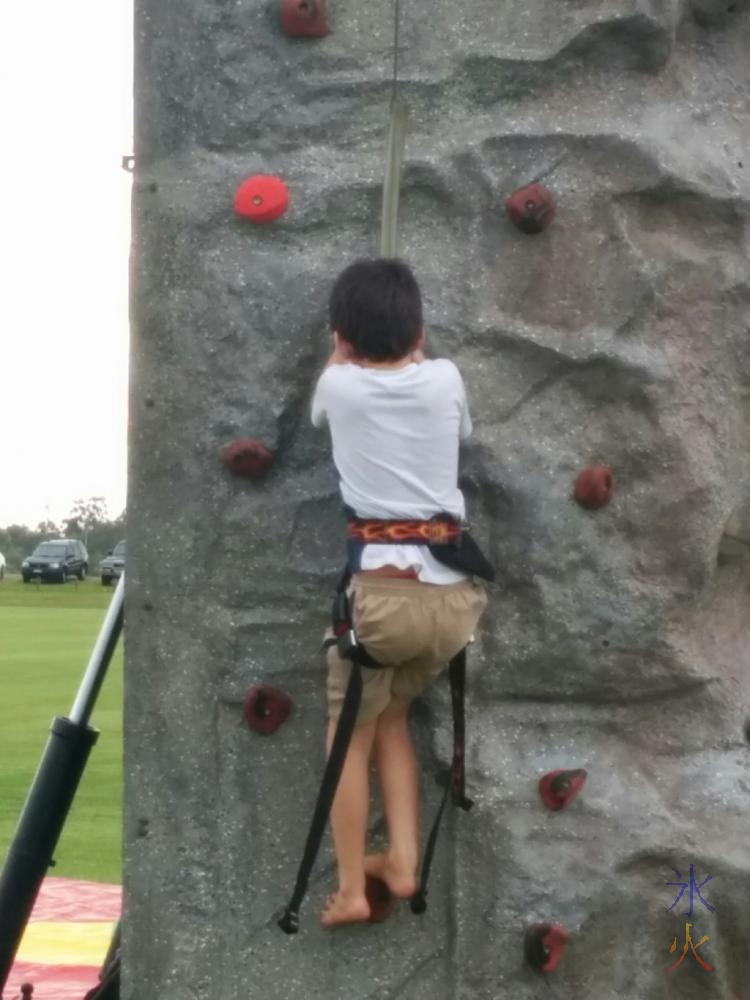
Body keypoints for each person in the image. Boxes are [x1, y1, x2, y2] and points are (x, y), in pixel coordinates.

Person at [311, 258, 488, 928]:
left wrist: (347, 352)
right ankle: (404, 863)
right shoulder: (446, 379)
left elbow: (333, 395)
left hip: (382, 600)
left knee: (345, 737)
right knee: (390, 720)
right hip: (454, 603)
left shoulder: (339, 387)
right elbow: (458, 429)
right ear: (419, 331)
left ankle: (354, 887)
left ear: (341, 338)